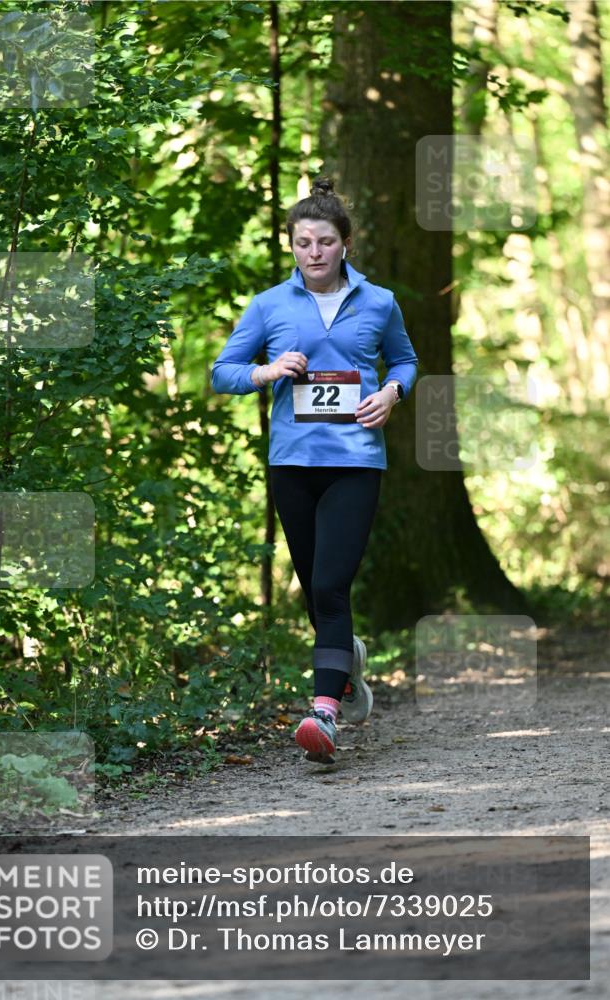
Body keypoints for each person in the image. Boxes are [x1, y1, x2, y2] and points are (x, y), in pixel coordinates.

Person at [211, 177, 418, 765]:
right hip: (293, 465)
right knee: (315, 589)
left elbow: (404, 359)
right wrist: (267, 371)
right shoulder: (269, 305)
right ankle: (345, 657)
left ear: (345, 243)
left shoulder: (378, 301)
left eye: (325, 241)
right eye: (303, 242)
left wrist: (393, 392)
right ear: (292, 246)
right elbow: (223, 371)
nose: (314, 252)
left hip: (355, 461)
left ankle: (323, 713)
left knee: (330, 585)